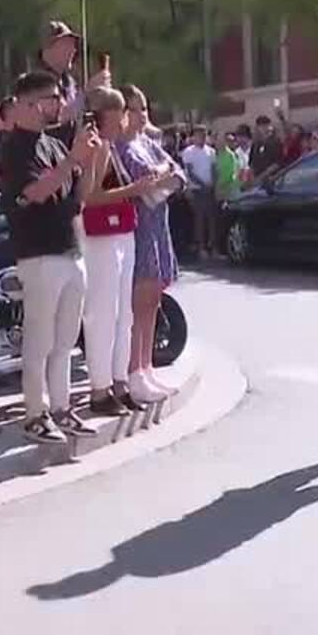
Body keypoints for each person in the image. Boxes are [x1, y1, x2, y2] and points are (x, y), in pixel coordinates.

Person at [0, 71, 102, 444]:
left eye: (58, 97)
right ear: (27, 104)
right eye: (50, 98)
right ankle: (34, 412)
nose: (58, 104)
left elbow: (79, 196)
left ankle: (61, 406)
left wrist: (88, 161)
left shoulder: (54, 145)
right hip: (38, 252)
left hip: (71, 248)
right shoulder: (13, 147)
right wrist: (72, 160)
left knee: (66, 340)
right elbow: (34, 193)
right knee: (39, 339)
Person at [78, 87, 160, 417]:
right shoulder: (97, 147)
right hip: (101, 236)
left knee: (123, 313)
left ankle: (119, 381)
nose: (121, 121)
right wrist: (135, 189)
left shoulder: (111, 145)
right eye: (116, 115)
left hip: (121, 233)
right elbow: (90, 195)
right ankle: (100, 387)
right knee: (103, 313)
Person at [120, 85, 184, 402]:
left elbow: (177, 174)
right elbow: (144, 177)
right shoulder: (121, 146)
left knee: (154, 301)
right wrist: (162, 176)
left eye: (145, 108)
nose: (142, 115)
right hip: (139, 228)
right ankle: (134, 370)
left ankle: (146, 367)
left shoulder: (147, 141)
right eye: (135, 108)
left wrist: (162, 177)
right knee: (140, 302)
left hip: (159, 224)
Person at [180, 126, 217, 259]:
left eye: (203, 134)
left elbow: (213, 169)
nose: (201, 137)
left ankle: (213, 247)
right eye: (198, 135)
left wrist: (213, 184)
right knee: (199, 219)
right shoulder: (188, 152)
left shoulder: (211, 152)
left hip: (210, 190)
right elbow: (190, 171)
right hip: (197, 190)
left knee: (211, 219)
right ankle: (201, 247)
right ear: (193, 136)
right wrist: (202, 184)